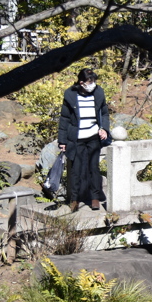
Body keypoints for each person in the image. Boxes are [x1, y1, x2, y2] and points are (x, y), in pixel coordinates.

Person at [58, 68, 111, 211]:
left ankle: (95, 198)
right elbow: (64, 119)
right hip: (76, 138)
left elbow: (105, 113)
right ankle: (74, 199)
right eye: (90, 81)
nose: (93, 84)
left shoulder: (98, 92)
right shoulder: (70, 94)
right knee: (76, 170)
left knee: (94, 168)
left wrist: (104, 128)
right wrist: (62, 141)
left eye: (93, 81)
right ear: (82, 83)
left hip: (93, 137)